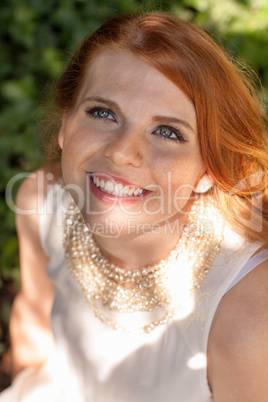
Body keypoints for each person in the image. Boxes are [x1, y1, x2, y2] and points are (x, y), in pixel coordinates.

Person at [1, 11, 268, 402]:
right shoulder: (42, 202)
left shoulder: (248, 320)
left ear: (209, 169)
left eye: (168, 132)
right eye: (102, 112)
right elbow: (34, 332)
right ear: (64, 124)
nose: (122, 152)